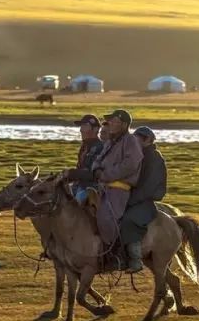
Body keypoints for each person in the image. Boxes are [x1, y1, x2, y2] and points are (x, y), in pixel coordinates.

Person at [90, 110, 143, 265]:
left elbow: (130, 165)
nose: (111, 124)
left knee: (106, 218)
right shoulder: (111, 142)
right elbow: (98, 160)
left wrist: (105, 174)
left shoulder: (130, 141)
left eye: (115, 122)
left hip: (119, 189)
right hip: (103, 187)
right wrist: (96, 169)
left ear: (125, 125)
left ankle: (117, 254)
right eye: (110, 121)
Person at [120, 126, 167, 273]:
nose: (134, 142)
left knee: (128, 220)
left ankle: (135, 260)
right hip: (133, 198)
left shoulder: (154, 158)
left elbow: (148, 187)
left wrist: (129, 201)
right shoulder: (139, 156)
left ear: (147, 140)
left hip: (144, 201)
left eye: (137, 139)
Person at [64, 114, 104, 205]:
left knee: (75, 206)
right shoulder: (85, 147)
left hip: (91, 188)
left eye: (85, 126)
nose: (81, 129)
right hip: (79, 185)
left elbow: (93, 174)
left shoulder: (100, 147)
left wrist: (71, 173)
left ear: (96, 129)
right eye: (81, 126)